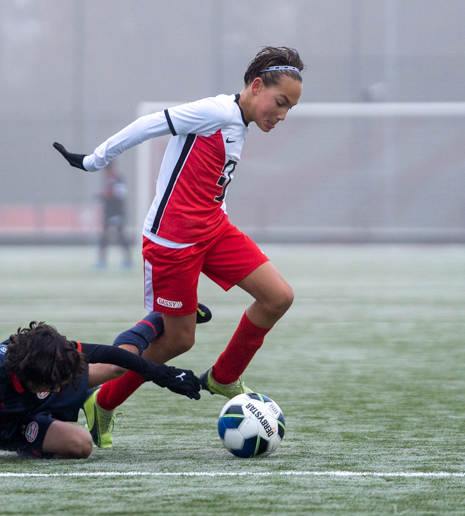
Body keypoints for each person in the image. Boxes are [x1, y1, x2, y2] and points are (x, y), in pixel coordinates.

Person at [53, 46, 303, 448]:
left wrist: (218, 216)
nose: (283, 114)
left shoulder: (240, 125)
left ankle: (223, 377)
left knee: (278, 297)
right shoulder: (215, 112)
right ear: (257, 87)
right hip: (173, 243)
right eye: (281, 102)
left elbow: (211, 182)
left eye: (290, 108)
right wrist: (94, 161)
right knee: (179, 339)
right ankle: (103, 402)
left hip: (214, 231)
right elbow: (148, 124)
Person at [0, 320, 201, 464]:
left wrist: (162, 375)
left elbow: (111, 354)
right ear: (33, 377)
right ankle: (76, 408)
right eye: (56, 383)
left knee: (115, 369)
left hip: (35, 395)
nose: (62, 385)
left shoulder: (52, 354)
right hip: (11, 426)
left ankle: (154, 320)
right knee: (81, 444)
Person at [95, 161, 131, 270]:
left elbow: (121, 193)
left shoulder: (117, 176)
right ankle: (102, 261)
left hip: (117, 210)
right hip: (109, 210)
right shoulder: (107, 176)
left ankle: (127, 261)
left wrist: (108, 195)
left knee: (121, 235)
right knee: (104, 235)